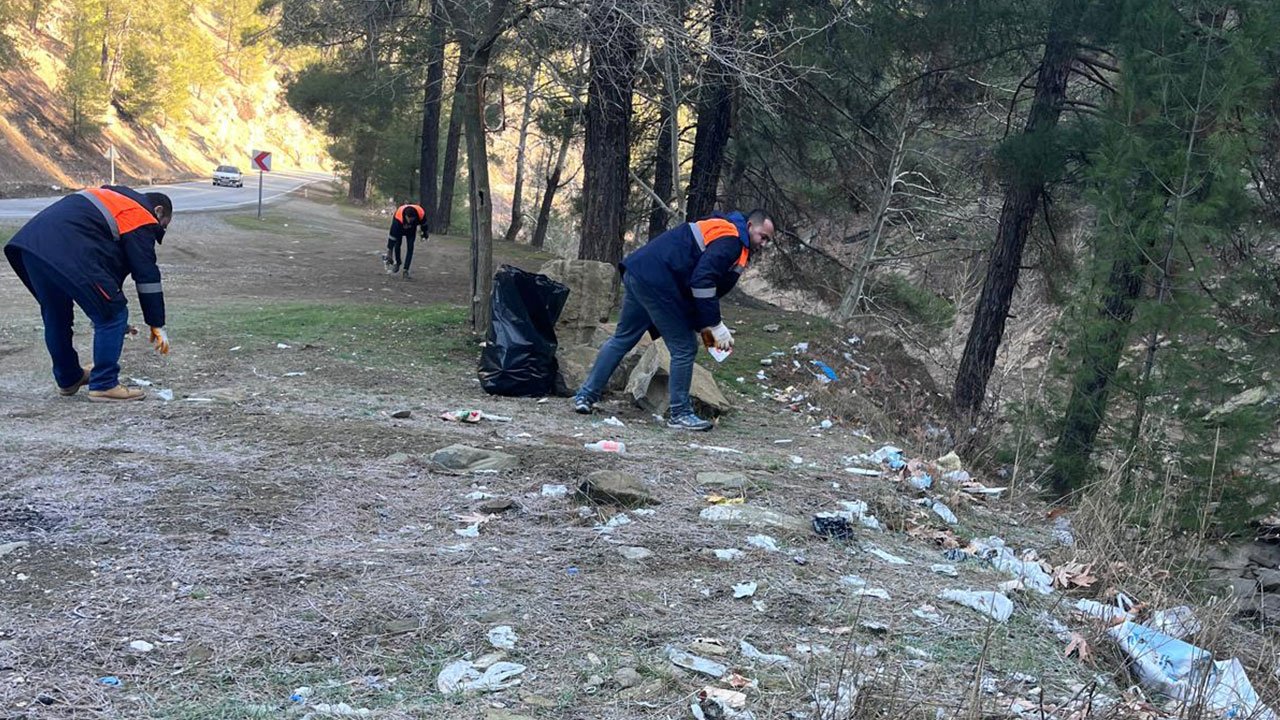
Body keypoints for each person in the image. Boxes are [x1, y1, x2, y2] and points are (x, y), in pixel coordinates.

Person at [573, 208, 775, 430]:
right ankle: (680, 413)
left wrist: (704, 325)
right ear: (750, 227)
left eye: (768, 240)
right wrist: (715, 325)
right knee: (685, 347)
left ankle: (585, 396)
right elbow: (702, 282)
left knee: (623, 338)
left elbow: (692, 281)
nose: (764, 244)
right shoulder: (732, 241)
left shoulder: (723, 228)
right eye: (763, 237)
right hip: (658, 283)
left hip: (639, 272)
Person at [4, 185, 173, 402]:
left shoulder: (113, 199)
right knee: (113, 315)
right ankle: (104, 384)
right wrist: (157, 324)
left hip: (31, 248)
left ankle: (69, 378)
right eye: (163, 225)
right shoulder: (139, 215)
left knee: (57, 315)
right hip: (67, 251)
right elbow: (146, 275)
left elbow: (107, 268)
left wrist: (104, 306)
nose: (159, 230)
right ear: (158, 211)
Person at [383, 203, 427, 279]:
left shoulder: (420, 213)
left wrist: (424, 234)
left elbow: (424, 224)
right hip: (400, 228)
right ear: (406, 216)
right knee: (397, 245)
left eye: (412, 219)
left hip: (411, 231)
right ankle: (398, 263)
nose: (410, 221)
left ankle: (406, 270)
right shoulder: (398, 219)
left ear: (415, 217)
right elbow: (392, 236)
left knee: (410, 248)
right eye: (409, 219)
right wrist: (389, 252)